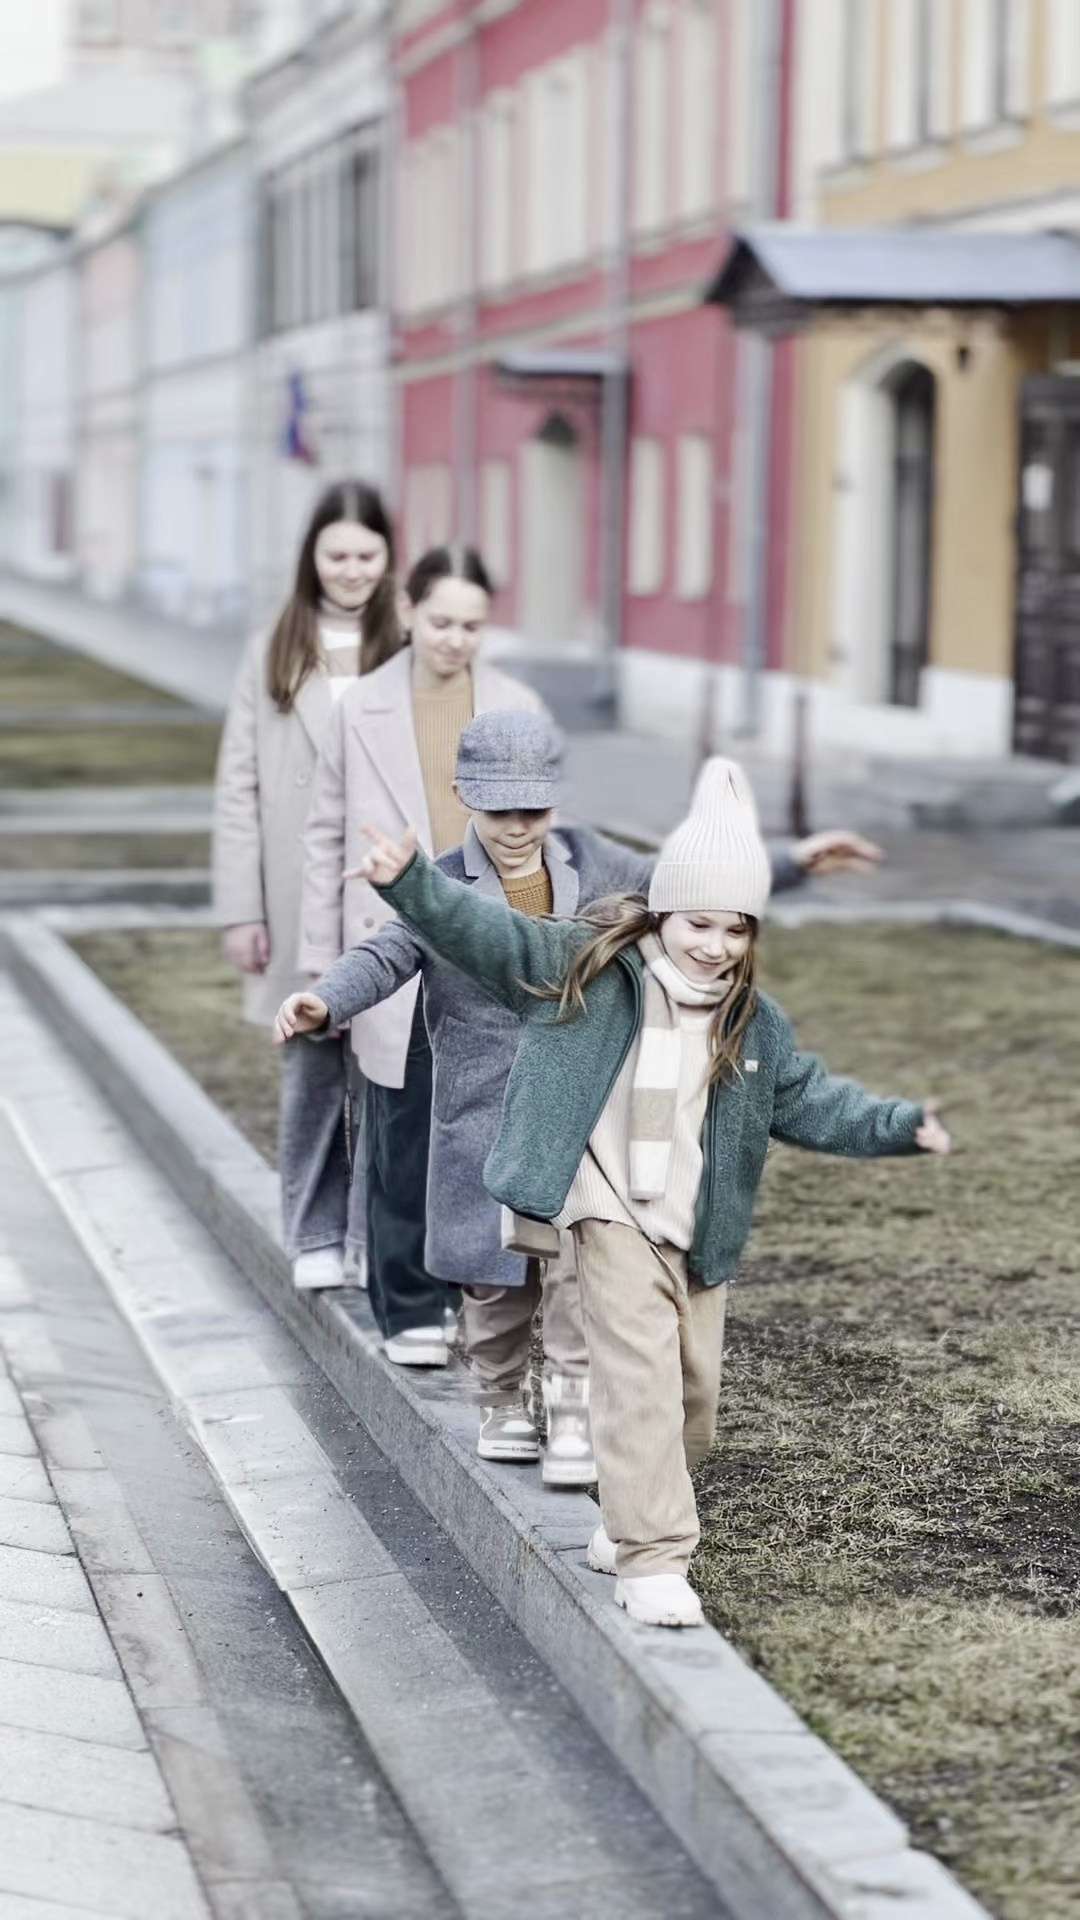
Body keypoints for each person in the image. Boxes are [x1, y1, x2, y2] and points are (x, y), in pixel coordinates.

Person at [347, 758, 951, 1629]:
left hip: (695, 1231)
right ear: (663, 911)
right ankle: (654, 1557)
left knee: (692, 1404)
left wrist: (897, 1124)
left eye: (736, 930)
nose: (713, 945)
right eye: (698, 923)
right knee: (637, 1384)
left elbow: (812, 1101)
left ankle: (623, 1512)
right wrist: (409, 881)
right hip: (607, 1215)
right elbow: (491, 936)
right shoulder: (584, 970)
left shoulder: (752, 1021)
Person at [276, 711, 881, 1482]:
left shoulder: (594, 862)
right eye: (499, 810)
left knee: (574, 1270)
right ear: (464, 796)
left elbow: (684, 883)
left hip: (583, 1114)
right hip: (485, 1117)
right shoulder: (442, 884)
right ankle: (499, 1399)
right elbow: (386, 950)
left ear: (554, 802)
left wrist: (792, 862)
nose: (518, 827)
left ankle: (569, 1414)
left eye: (533, 809)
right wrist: (325, 1001)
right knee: (495, 1281)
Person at [299, 546, 546, 1367]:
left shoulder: (518, 704)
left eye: (473, 625)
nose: (456, 640)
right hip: (394, 935)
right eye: (441, 621)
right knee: (403, 1127)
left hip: (489, 941)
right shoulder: (361, 704)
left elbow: (543, 830)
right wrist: (319, 964)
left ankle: (477, 1300)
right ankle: (407, 1304)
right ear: (407, 611)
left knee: (480, 1129)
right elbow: (325, 831)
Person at [212, 479, 400, 1292]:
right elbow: (237, 785)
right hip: (298, 892)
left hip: (389, 887)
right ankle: (315, 1231)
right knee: (313, 1064)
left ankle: (372, 1237)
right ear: (312, 558)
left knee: (390, 1071)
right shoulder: (274, 648)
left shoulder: (411, 644)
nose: (352, 570)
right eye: (337, 555)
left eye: (367, 554)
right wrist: (241, 909)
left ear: (390, 556)